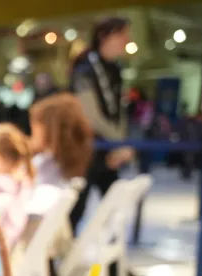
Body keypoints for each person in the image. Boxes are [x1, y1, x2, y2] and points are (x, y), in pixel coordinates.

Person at [68, 17, 135, 231]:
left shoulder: (114, 69)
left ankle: (112, 264)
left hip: (108, 149)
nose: (126, 40)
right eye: (121, 34)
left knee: (113, 211)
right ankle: (60, 263)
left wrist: (119, 143)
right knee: (75, 210)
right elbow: (90, 115)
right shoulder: (84, 68)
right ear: (104, 36)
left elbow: (119, 111)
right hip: (87, 149)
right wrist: (119, 143)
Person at [29, 93, 94, 189]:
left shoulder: (44, 166)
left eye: (35, 127)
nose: (33, 134)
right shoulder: (84, 161)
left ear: (49, 130)